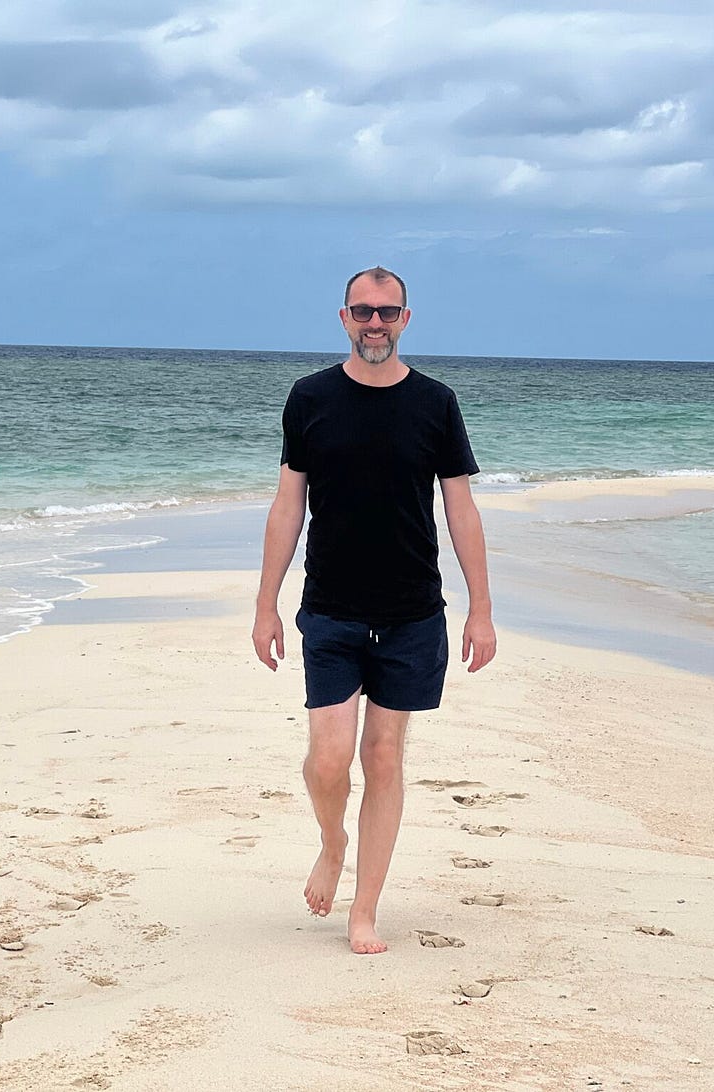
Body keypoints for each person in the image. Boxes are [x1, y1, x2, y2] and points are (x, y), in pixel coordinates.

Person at [252, 266, 496, 955]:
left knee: (383, 756)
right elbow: (286, 504)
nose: (375, 324)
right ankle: (333, 842)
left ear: (407, 320)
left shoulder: (436, 404)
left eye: (388, 313)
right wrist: (265, 604)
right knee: (329, 762)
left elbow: (461, 509)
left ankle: (366, 909)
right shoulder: (310, 398)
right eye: (363, 312)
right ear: (343, 317)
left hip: (413, 612)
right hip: (329, 607)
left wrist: (481, 609)